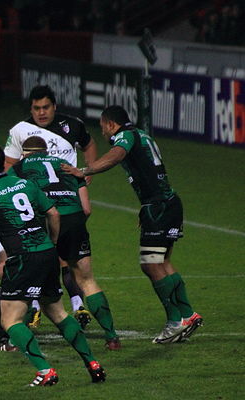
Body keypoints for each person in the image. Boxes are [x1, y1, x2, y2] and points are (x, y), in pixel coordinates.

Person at [0, 142, 106, 386]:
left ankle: (45, 371)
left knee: (10, 321)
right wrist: (51, 241)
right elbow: (53, 213)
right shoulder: (26, 184)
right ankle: (93, 363)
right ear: (3, 164)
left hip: (22, 259)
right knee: (58, 312)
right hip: (47, 254)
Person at [61, 105, 204, 344]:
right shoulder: (143, 135)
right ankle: (188, 314)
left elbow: (117, 154)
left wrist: (85, 170)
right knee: (163, 262)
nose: (104, 135)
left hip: (158, 207)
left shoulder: (124, 136)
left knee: (150, 264)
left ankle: (175, 321)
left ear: (109, 124)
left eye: (103, 128)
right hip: (166, 204)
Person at [9, 136, 120, 350]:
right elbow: (87, 208)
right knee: (87, 280)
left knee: (27, 278)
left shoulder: (19, 168)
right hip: (74, 218)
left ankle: (16, 341)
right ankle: (112, 337)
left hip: (45, 220)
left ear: (24, 153)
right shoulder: (66, 166)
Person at [4, 85, 98, 325]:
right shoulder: (21, 130)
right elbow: (9, 165)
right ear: (31, 109)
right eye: (36, 108)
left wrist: (88, 172)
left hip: (68, 196)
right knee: (55, 257)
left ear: (54, 106)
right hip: (39, 202)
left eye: (46, 107)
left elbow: (89, 144)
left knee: (58, 256)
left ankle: (44, 305)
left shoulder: (73, 125)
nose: (41, 113)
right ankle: (70, 305)